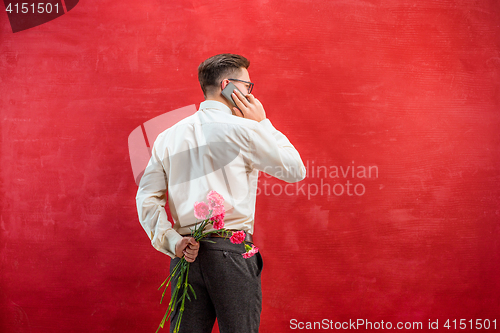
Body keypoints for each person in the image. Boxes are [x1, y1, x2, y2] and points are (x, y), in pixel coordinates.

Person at [136, 53, 306, 333]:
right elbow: (294, 169)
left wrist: (172, 241)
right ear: (229, 85)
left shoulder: (167, 137)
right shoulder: (247, 129)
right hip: (231, 252)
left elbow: (146, 198)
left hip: (185, 255)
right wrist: (263, 122)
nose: (251, 94)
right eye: (248, 86)